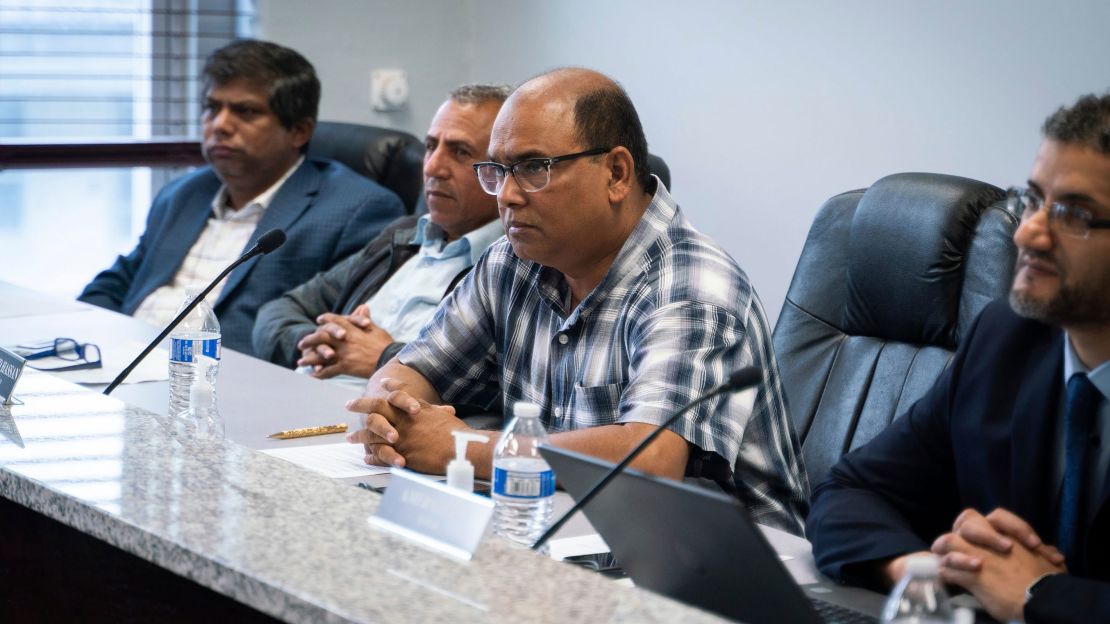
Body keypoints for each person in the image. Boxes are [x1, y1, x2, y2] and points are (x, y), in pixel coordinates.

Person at [345, 68, 809, 534]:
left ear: (616, 174)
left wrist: (464, 447)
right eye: (497, 171)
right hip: (561, 533)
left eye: (532, 168)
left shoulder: (691, 286)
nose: (507, 196)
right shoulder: (513, 261)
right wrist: (389, 412)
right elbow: (414, 368)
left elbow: (650, 460)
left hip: (716, 570)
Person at [807, 93, 1110, 623]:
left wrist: (1040, 597)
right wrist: (932, 569)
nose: (1028, 233)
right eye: (1034, 199)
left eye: (1073, 214)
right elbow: (850, 492)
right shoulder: (1008, 339)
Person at [78, 40, 404, 356]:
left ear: (299, 131)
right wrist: (102, 343)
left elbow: (330, 335)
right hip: (128, 364)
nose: (219, 125)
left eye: (245, 111)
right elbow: (116, 284)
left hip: (225, 386)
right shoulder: (183, 193)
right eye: (211, 108)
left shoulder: (356, 210)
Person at [252, 85, 509, 379]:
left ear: (501, 170)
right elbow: (280, 310)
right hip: (307, 397)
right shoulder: (402, 236)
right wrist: (325, 344)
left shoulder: (512, 264)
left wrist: (385, 358)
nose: (433, 167)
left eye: (460, 152)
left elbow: (497, 383)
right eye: (430, 146)